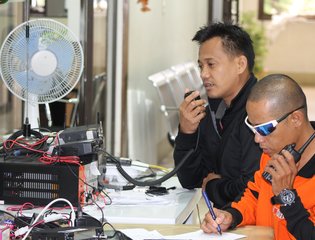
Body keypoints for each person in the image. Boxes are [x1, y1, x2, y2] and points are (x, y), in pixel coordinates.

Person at [201, 74, 315, 240]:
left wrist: (286, 196)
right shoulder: (273, 154)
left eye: (264, 129)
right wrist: (231, 216)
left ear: (295, 119)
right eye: (253, 128)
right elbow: (254, 196)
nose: (257, 139)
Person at [173, 22, 262, 208]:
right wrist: (187, 132)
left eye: (211, 65)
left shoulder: (260, 113)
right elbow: (190, 179)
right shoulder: (214, 110)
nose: (204, 74)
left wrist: (213, 185)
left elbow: (254, 190)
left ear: (240, 64)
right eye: (201, 66)